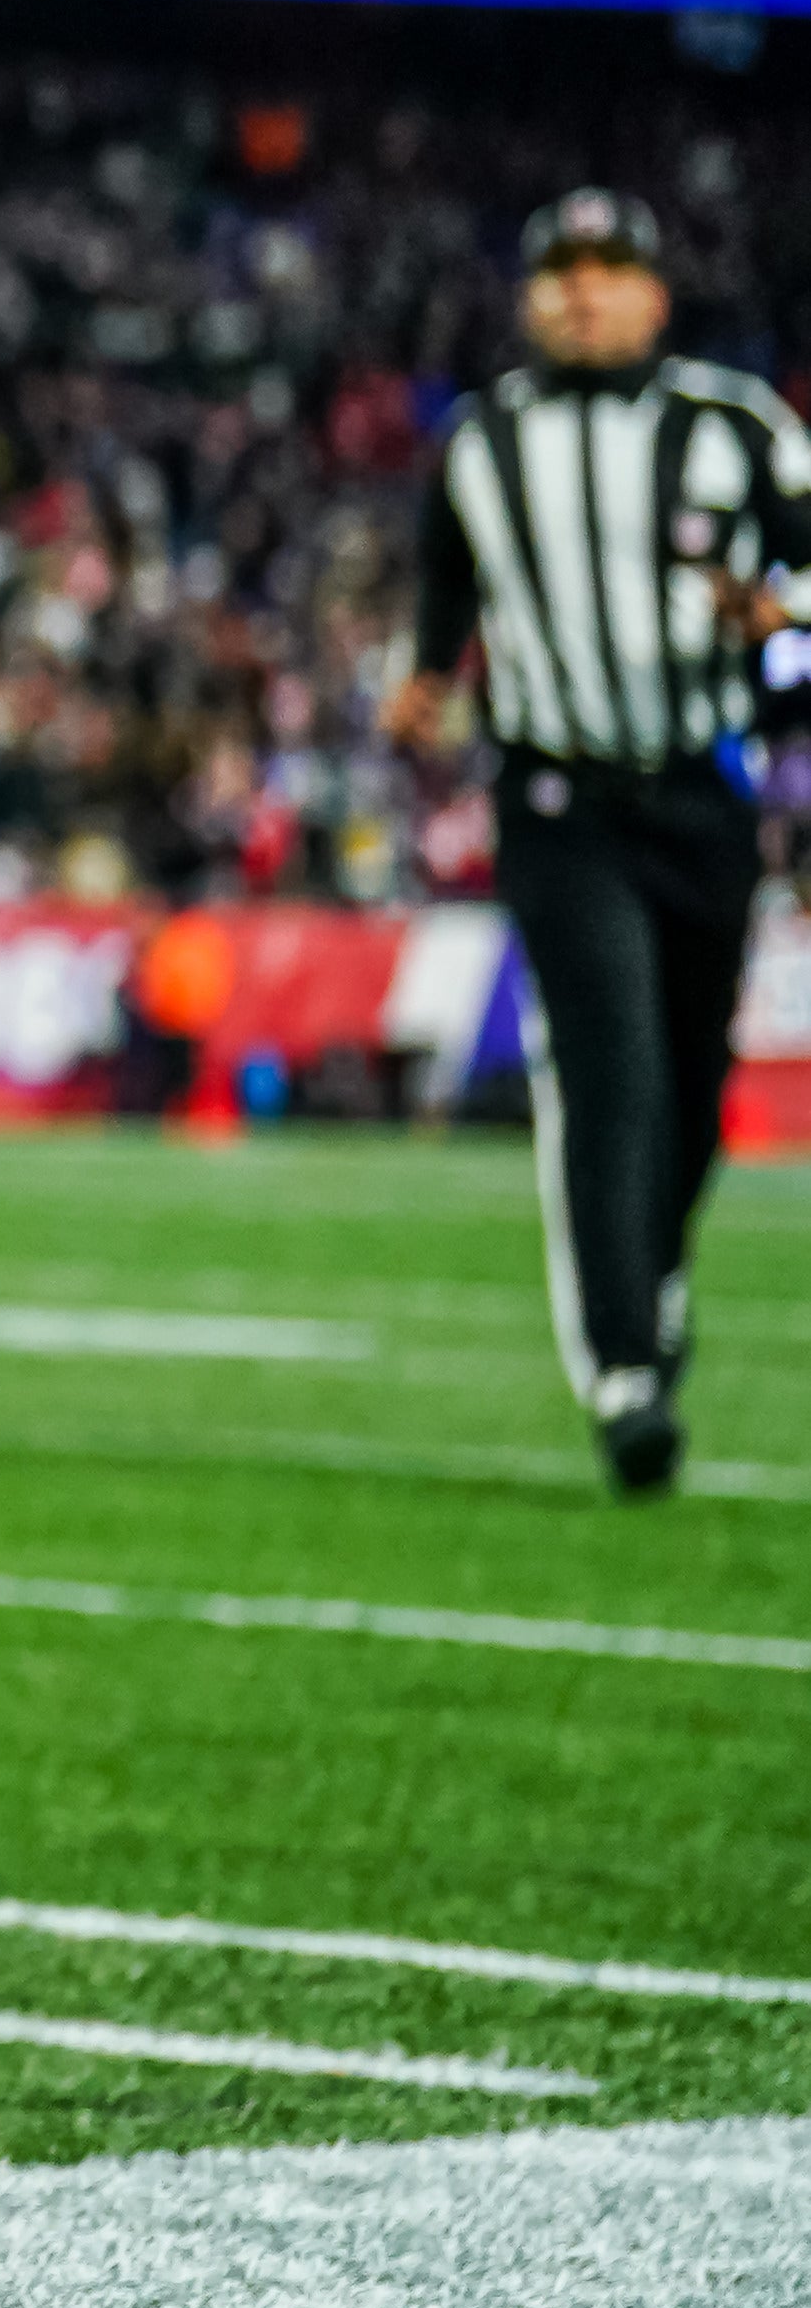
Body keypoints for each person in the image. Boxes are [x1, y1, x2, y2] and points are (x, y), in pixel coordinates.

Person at [382, 185, 811, 1496]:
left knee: (689, 1090)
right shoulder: (477, 444)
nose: (581, 290)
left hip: (700, 794)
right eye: (558, 269)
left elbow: (803, 590)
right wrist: (420, 685)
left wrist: (777, 627)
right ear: (526, 298)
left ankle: (656, 1276)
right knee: (608, 1066)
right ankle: (622, 1368)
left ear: (653, 294)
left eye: (606, 267)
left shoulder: (738, 427)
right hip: (556, 802)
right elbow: (439, 612)